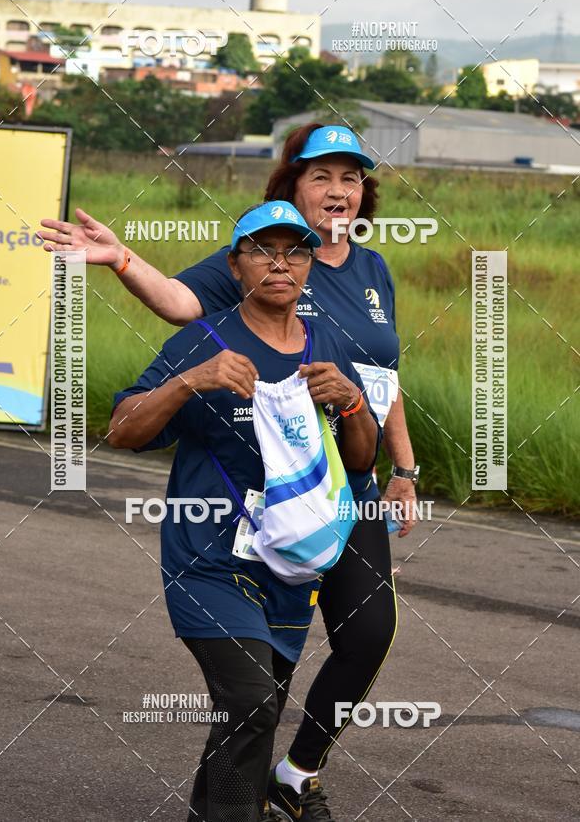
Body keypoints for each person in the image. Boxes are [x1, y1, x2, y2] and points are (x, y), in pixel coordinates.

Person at [39, 123, 417, 820]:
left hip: (342, 494)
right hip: (243, 517)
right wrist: (124, 260)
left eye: (351, 177)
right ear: (289, 186)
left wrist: (404, 465)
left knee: (355, 640)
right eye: (321, 176)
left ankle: (293, 773)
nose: (338, 190)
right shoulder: (234, 288)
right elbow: (181, 311)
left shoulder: (369, 271)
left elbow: (383, 378)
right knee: (253, 697)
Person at [108, 202, 380, 822]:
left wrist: (355, 403)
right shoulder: (204, 341)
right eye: (262, 250)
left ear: (309, 266)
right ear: (235, 266)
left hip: (288, 569)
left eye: (296, 252)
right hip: (207, 564)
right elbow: (122, 430)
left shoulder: (327, 340)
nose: (280, 264)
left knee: (248, 716)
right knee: (253, 703)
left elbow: (360, 464)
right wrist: (188, 382)